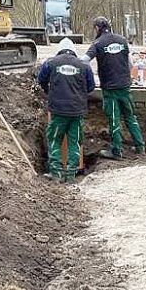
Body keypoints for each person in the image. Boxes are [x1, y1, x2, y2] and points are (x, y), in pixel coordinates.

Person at [82, 16, 145, 159]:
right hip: (124, 86)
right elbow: (130, 64)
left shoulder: (97, 44)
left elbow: (84, 61)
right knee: (130, 116)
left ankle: (117, 151)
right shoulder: (122, 40)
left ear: (97, 28)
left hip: (110, 88)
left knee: (114, 119)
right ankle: (140, 146)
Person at [37, 38, 95, 182]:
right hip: (77, 111)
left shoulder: (50, 63)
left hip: (58, 110)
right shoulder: (84, 65)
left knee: (54, 139)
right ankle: (71, 175)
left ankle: (56, 173)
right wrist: (80, 94)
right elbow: (91, 87)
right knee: (74, 142)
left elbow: (41, 80)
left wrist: (48, 91)